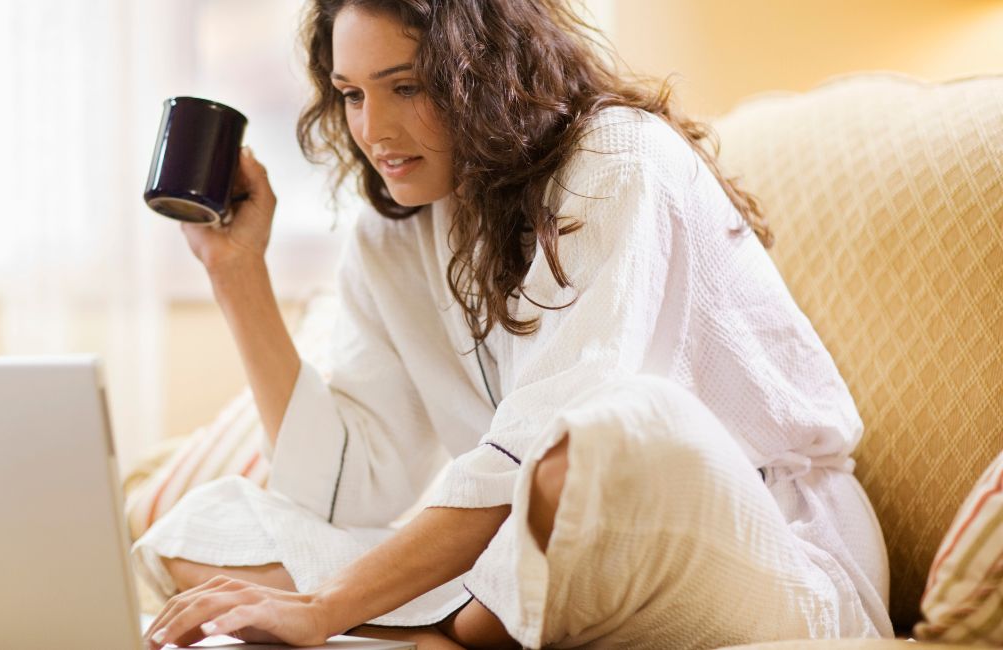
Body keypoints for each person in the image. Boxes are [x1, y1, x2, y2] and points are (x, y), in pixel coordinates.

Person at [135, 1, 892, 648]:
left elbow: (542, 445)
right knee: (201, 529)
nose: (376, 130)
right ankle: (461, 621)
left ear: (487, 73)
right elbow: (348, 491)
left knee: (596, 441)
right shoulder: (394, 229)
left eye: (408, 86)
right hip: (529, 546)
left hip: (756, 537)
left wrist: (327, 607)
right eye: (353, 94)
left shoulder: (619, 157)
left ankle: (448, 624)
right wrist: (236, 273)